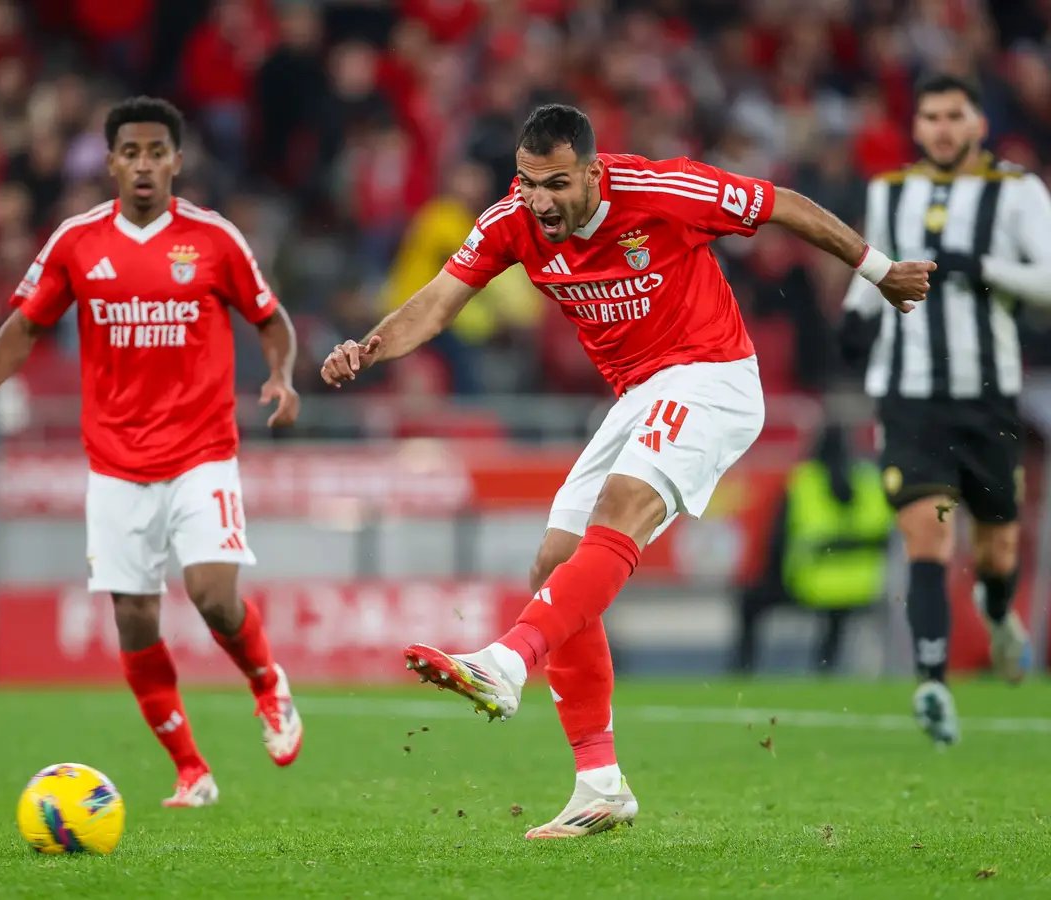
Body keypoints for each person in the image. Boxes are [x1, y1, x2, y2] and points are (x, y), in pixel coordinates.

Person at [320, 104, 932, 839]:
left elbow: (782, 205)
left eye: (554, 184)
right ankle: (599, 784)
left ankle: (507, 661)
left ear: (591, 172)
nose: (539, 200)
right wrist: (369, 347)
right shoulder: (511, 220)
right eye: (527, 183)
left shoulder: (661, 190)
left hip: (712, 375)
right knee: (554, 562)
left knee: (619, 509)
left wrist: (880, 272)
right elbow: (439, 302)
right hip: (639, 393)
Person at [0, 97, 303, 807]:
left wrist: (282, 375)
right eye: (129, 152)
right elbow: (26, 324)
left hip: (201, 451)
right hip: (115, 464)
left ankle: (267, 683)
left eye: (155, 152)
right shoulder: (77, 241)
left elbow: (270, 316)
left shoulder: (214, 238)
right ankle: (191, 770)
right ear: (110, 162)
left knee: (212, 596)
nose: (143, 164)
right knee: (134, 620)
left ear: (176, 161)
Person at [841, 73, 1051, 745]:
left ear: (978, 124)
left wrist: (984, 267)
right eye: (930, 116)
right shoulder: (889, 190)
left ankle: (997, 611)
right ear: (917, 126)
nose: (942, 128)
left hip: (987, 398)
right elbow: (872, 269)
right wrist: (854, 313)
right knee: (926, 536)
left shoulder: (1017, 191)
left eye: (954, 116)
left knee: (997, 550)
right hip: (909, 398)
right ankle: (932, 682)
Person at [730, 423, 893, 674]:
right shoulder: (870, 482)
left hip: (811, 584)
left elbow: (777, 542)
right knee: (838, 611)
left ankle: (743, 668)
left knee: (750, 603)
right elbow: (886, 538)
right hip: (863, 587)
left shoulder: (804, 482)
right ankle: (826, 667)